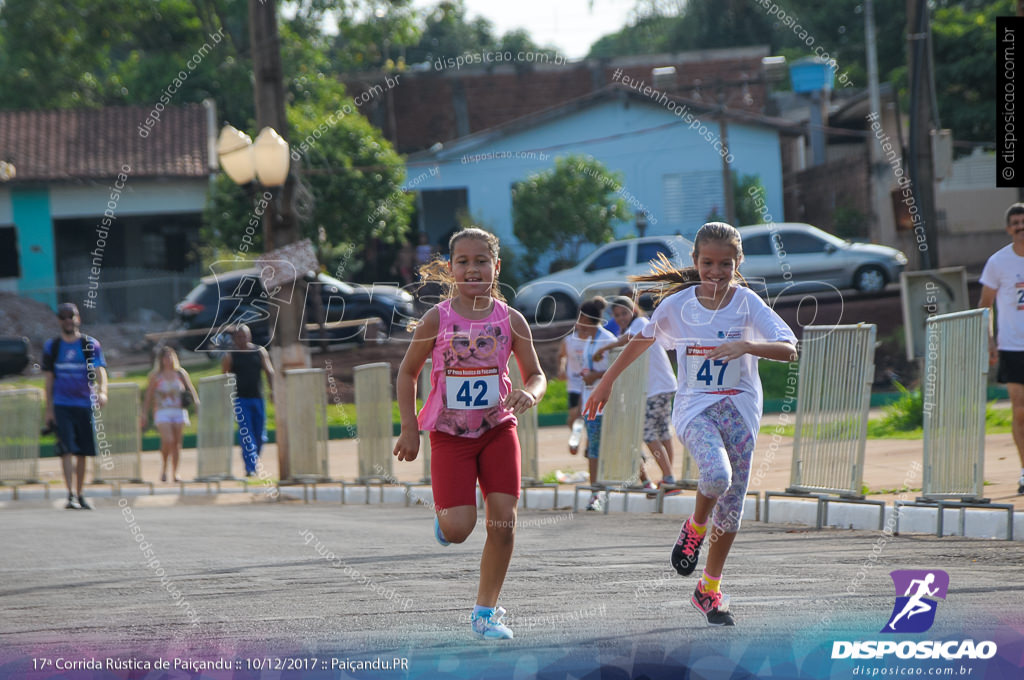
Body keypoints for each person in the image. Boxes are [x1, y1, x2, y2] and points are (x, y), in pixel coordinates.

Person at [584, 223, 798, 626]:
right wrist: (606, 383)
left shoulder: (748, 303)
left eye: (725, 264)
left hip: (741, 410)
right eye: (707, 263)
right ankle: (696, 526)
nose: (716, 272)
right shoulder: (679, 306)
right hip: (696, 408)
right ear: (696, 262)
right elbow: (642, 340)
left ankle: (709, 590)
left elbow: (789, 348)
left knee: (732, 509)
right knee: (716, 475)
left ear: (738, 264)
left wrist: (746, 345)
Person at [392, 227, 546, 640]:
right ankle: (447, 521)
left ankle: (485, 612)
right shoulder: (436, 318)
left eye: (481, 261)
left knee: (504, 524)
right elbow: (408, 373)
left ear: (496, 267)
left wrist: (530, 393)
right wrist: (410, 430)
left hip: (498, 429)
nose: (472, 268)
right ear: (450, 268)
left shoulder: (510, 319)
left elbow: (536, 374)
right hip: (449, 434)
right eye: (463, 261)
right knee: (460, 530)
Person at [593, 295, 678, 488]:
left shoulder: (641, 322)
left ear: (634, 310)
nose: (622, 317)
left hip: (656, 387)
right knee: (663, 433)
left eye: (625, 313)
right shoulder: (636, 325)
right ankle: (669, 478)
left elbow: (628, 339)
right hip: (660, 386)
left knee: (648, 433)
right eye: (617, 315)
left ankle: (669, 477)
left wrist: (605, 348)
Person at [41, 302, 108, 510]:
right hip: (62, 404)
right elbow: (49, 380)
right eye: (64, 317)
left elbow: (100, 371)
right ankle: (69, 493)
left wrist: (103, 391)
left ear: (78, 318)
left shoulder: (90, 344)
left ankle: (80, 494)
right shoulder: (53, 347)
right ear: (59, 321)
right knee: (66, 449)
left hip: (84, 403)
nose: (68, 320)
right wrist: (49, 409)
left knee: (82, 451)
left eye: (72, 316)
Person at [978, 202, 1024, 495]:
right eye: (1016, 223)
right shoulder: (998, 262)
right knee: (1020, 412)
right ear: (1009, 229)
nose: (1021, 226)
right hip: (1012, 347)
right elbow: (984, 306)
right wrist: (990, 341)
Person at [567, 297, 617, 509]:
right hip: (589, 402)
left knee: (613, 445)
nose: (578, 325)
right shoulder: (586, 341)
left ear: (588, 319)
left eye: (581, 320)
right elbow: (583, 375)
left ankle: (641, 481)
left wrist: (596, 374)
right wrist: (580, 404)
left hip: (607, 403)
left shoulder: (607, 339)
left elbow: (619, 368)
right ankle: (595, 492)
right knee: (594, 448)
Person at [221, 325, 274, 477]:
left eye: (244, 336)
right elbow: (224, 377)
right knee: (246, 434)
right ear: (234, 339)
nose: (242, 340)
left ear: (249, 336)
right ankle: (250, 467)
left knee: (260, 436)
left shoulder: (259, 351)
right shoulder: (230, 355)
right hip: (240, 400)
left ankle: (253, 460)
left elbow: (269, 371)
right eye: (238, 337)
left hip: (258, 398)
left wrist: (273, 390)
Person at [141, 346, 199, 482]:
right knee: (168, 440)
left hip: (178, 411)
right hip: (162, 411)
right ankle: (164, 468)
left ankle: (175, 472)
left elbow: (190, 389)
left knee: (177, 443)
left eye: (171, 356)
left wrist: (196, 402)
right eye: (166, 356)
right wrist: (144, 413)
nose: (169, 359)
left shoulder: (180, 373)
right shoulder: (155, 376)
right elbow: (149, 396)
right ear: (161, 360)